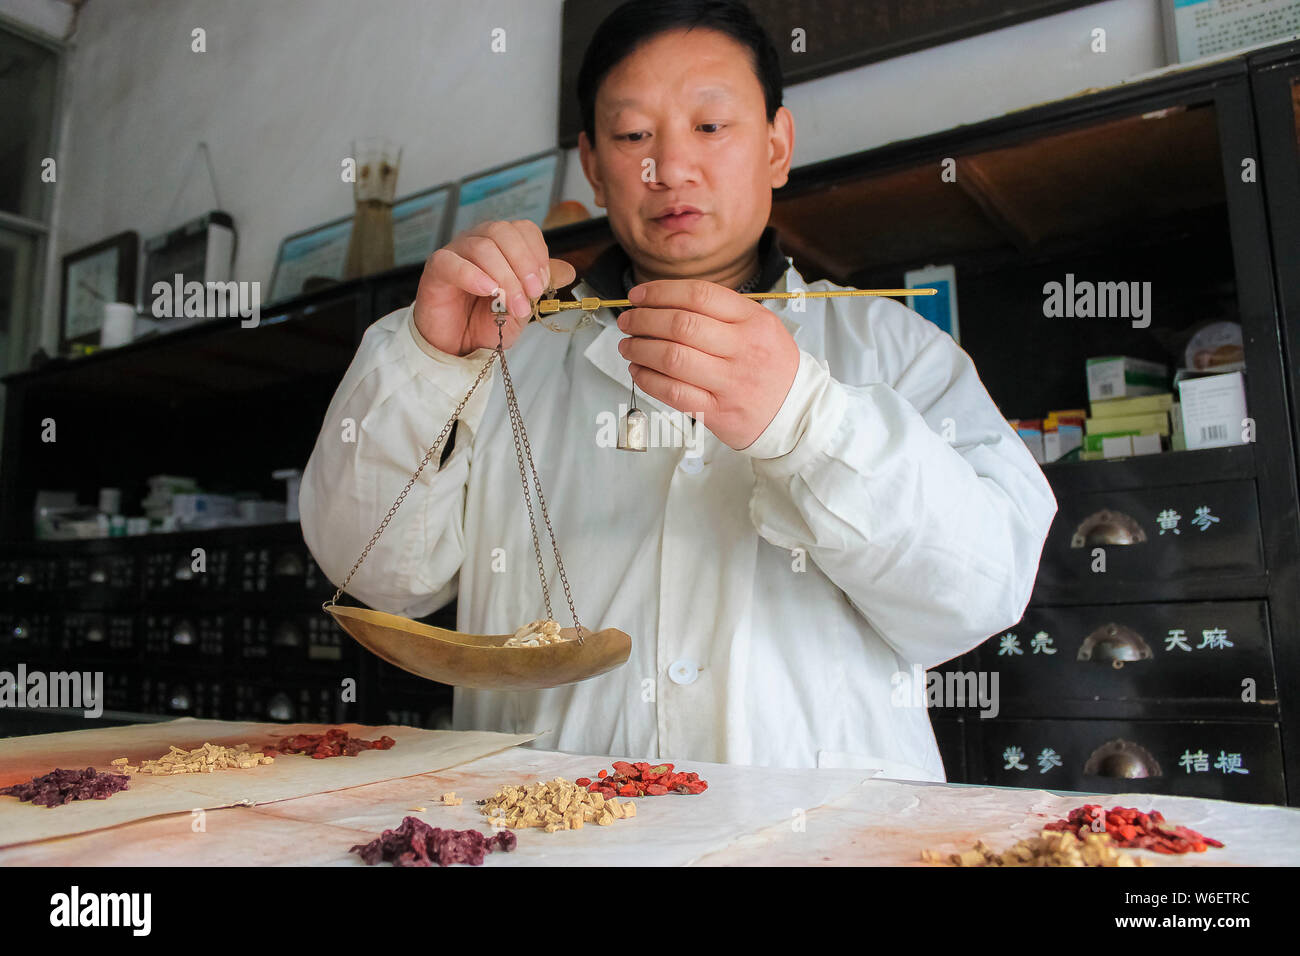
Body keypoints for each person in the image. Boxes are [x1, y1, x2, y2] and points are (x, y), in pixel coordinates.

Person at [300, 0, 1057, 781]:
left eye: (711, 126)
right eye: (633, 137)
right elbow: (378, 577)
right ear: (593, 165)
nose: (670, 168)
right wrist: (428, 363)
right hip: (551, 831)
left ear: (776, 145)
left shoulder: (892, 346)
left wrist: (805, 417)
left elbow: (977, 595)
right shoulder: (507, 349)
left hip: (821, 837)